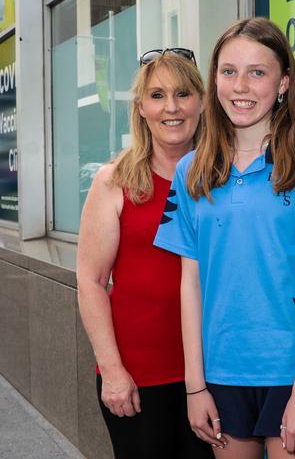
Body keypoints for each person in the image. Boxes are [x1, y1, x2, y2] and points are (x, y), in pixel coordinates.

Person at [153, 18, 295, 458]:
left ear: (284, 81)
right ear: (214, 80)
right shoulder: (190, 171)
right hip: (222, 374)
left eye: (258, 71)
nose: (240, 85)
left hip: (294, 373)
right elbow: (189, 284)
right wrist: (195, 388)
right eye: (229, 71)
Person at [77, 49, 214, 458]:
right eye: (157, 96)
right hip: (138, 377)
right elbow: (90, 280)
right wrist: (113, 371)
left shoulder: (223, 178)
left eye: (183, 93)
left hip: (212, 375)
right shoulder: (114, 180)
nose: (171, 107)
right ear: (140, 108)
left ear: (202, 102)